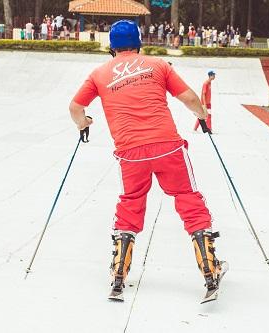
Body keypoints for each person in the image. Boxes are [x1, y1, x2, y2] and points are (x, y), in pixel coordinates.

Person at [69, 20, 226, 302]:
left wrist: (84, 124)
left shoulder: (98, 74)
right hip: (167, 147)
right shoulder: (158, 65)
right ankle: (210, 270)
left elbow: (75, 107)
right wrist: (202, 116)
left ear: (111, 47)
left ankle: (119, 273)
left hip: (130, 152)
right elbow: (189, 97)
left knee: (131, 202)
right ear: (139, 42)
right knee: (188, 198)